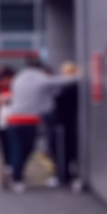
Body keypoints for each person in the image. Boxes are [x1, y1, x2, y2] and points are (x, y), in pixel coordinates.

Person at [4, 58, 79, 193]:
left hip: (13, 119)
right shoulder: (40, 78)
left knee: (17, 149)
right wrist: (83, 75)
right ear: (40, 70)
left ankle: (12, 171)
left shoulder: (18, 78)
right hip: (28, 121)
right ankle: (16, 178)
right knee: (26, 149)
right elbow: (61, 81)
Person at [44, 61, 81, 189]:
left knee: (63, 150)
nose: (63, 75)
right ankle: (63, 174)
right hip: (63, 124)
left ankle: (63, 175)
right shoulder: (66, 87)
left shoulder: (71, 88)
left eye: (66, 72)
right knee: (60, 149)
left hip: (64, 124)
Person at [0, 66, 16, 189]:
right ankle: (8, 169)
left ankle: (12, 169)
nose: (4, 81)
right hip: (2, 123)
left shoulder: (15, 89)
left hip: (14, 122)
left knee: (13, 147)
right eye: (2, 78)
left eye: (7, 78)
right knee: (6, 147)